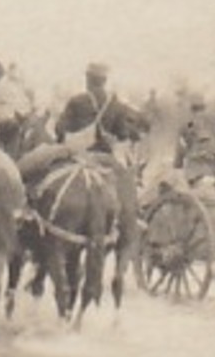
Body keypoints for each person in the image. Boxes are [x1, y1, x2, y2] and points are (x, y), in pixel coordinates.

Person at [51, 62, 151, 250]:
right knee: (127, 185)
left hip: (77, 156)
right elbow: (122, 134)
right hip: (105, 159)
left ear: (88, 79)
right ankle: (131, 221)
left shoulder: (77, 101)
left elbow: (60, 129)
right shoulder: (115, 105)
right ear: (104, 81)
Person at [175, 96, 215, 182]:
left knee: (193, 184)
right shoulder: (214, 118)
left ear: (192, 109)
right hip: (214, 154)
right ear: (204, 107)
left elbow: (180, 146)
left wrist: (178, 164)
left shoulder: (187, 123)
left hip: (195, 156)